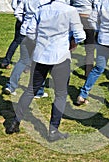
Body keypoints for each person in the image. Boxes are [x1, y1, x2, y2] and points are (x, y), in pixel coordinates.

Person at [7, 0, 86, 142]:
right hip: (60, 56)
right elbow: (81, 35)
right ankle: (53, 130)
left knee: (31, 89)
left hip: (40, 55)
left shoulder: (41, 10)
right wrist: (72, 43)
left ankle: (15, 121)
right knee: (61, 94)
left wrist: (41, 41)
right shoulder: (70, 11)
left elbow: (29, 32)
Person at [3, 0, 49, 99]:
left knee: (22, 61)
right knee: (40, 63)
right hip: (39, 33)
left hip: (26, 32)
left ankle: (10, 86)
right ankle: (38, 90)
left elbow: (17, 12)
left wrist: (25, 21)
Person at [71, 0, 96, 77]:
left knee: (70, 43)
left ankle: (63, 67)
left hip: (75, 16)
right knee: (90, 47)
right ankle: (88, 72)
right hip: (87, 17)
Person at [0, 0, 25, 69]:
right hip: (27, 18)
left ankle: (6, 61)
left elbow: (14, 5)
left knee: (16, 41)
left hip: (21, 17)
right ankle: (26, 65)